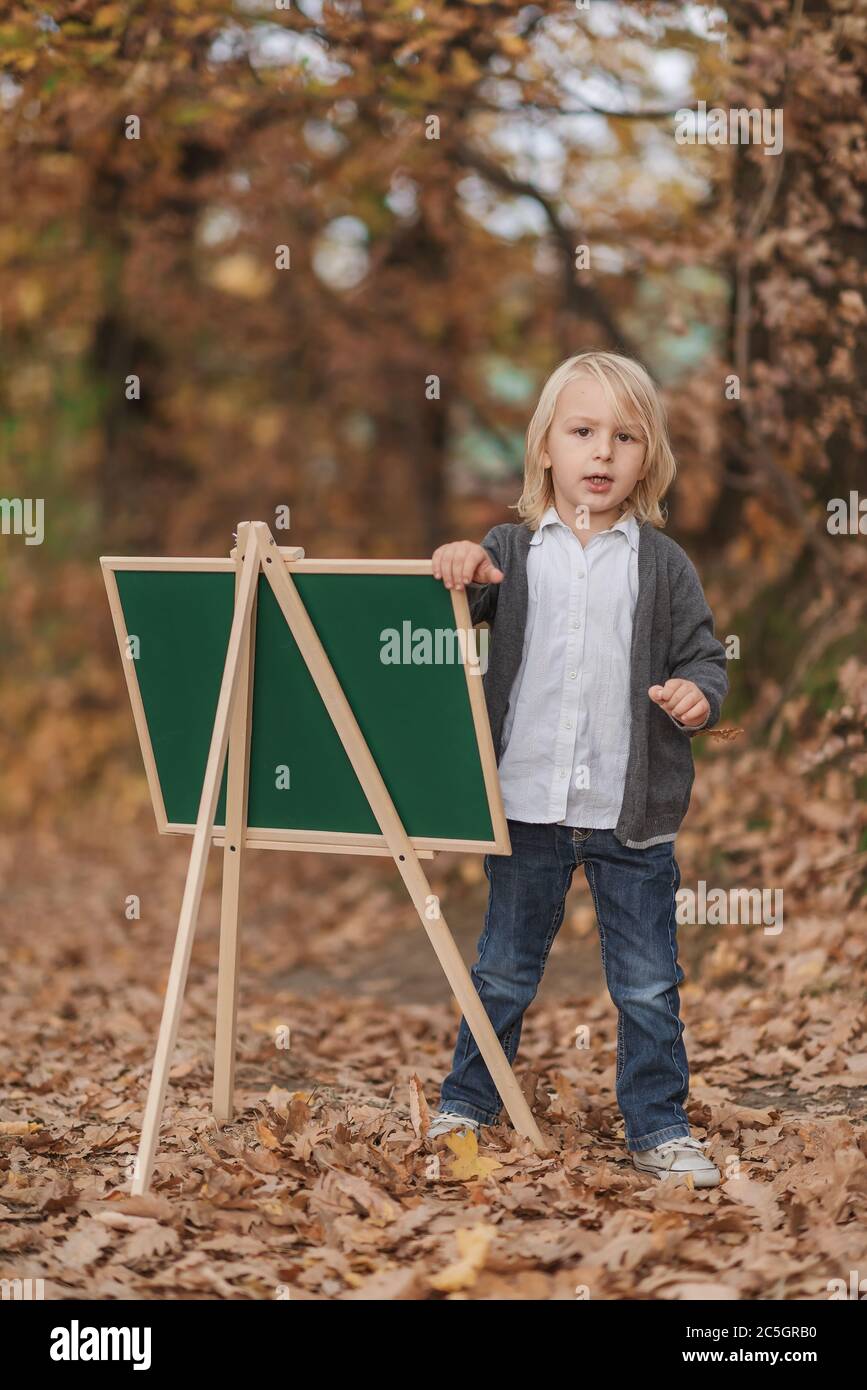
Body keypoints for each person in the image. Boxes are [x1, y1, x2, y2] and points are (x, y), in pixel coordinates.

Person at [428, 350, 728, 1186]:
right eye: (583, 432)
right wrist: (456, 565)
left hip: (630, 810)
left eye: (624, 437)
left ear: (648, 458)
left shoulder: (662, 565)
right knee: (502, 967)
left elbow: (705, 657)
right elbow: (460, 601)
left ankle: (659, 1125)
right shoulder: (510, 549)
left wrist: (699, 696)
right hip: (524, 803)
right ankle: (467, 1100)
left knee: (645, 984)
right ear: (546, 450)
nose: (602, 453)